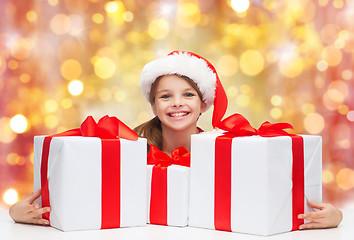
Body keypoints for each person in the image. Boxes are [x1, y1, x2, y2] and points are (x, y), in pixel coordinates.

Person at [10, 51, 342, 229]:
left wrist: (335, 217)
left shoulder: (229, 152)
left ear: (204, 104)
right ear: (153, 105)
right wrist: (16, 212)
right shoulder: (127, 150)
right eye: (165, 96)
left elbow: (270, 191)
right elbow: (75, 190)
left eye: (187, 95)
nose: (177, 103)